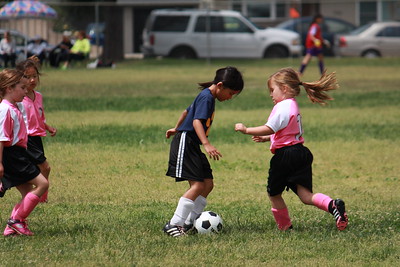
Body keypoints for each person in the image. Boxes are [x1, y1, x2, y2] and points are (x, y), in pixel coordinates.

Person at [235, 67, 348, 231]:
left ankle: (285, 227)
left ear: (285, 89)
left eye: (272, 90)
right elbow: (286, 132)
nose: (271, 94)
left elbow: (270, 128)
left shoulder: (283, 107)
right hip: (300, 153)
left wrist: (246, 130)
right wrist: (268, 139)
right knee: (306, 196)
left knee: (274, 194)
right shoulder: (292, 105)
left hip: (285, 157)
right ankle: (333, 205)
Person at [163, 66, 244, 237]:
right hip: (187, 142)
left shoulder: (207, 96)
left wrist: (176, 128)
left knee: (208, 184)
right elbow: (196, 122)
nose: (230, 98)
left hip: (191, 143)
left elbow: (186, 111)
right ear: (220, 85)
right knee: (198, 185)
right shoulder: (207, 98)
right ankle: (174, 224)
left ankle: (188, 222)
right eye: (230, 93)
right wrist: (206, 144)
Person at [0, 69, 49, 236]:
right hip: (13, 155)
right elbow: (1, 139)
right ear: (9, 88)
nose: (26, 90)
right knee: (43, 184)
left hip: (18, 154)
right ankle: (16, 221)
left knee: (28, 191)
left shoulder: (12, 107)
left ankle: (11, 228)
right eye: (22, 87)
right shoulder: (5, 109)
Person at [16, 56, 57, 203]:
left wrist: (48, 127)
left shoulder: (38, 96)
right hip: (26, 138)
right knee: (45, 168)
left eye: (34, 76)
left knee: (31, 171)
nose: (32, 80)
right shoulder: (19, 98)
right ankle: (41, 197)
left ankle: (32, 196)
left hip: (36, 137)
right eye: (27, 77)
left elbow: (39, 116)